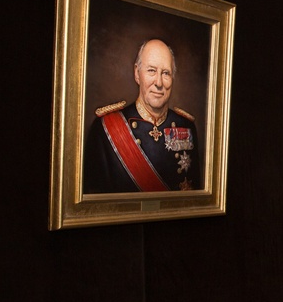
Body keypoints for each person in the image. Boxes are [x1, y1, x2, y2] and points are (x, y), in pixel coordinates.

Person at [83, 39, 202, 193]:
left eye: (166, 73)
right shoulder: (105, 128)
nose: (159, 83)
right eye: (151, 71)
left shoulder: (186, 126)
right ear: (137, 74)